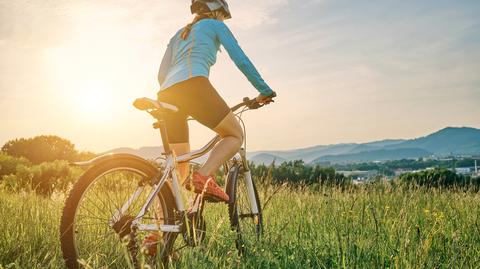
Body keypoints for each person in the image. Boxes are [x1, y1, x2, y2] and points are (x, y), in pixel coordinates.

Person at [156, 0, 276, 203]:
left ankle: (163, 227)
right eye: (223, 15)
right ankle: (203, 176)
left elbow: (161, 74)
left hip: (166, 94)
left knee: (179, 167)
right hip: (194, 86)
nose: (223, 19)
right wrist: (264, 90)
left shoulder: (177, 35)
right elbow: (241, 60)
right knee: (235, 135)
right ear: (217, 11)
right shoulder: (216, 25)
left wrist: (178, 101)